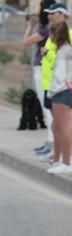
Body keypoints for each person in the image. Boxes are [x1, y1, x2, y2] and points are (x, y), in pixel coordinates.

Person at [23, 0, 57, 156]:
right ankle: (49, 142)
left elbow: (26, 41)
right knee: (49, 108)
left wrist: (30, 25)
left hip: (42, 68)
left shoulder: (45, 30)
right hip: (48, 68)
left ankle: (51, 144)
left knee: (47, 109)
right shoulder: (53, 28)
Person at [46, 20, 72, 174]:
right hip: (64, 92)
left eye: (51, 33)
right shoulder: (65, 50)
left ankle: (67, 162)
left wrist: (52, 91)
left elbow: (59, 77)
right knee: (56, 127)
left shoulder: (63, 52)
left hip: (61, 92)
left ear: (56, 35)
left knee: (63, 128)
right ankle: (57, 160)